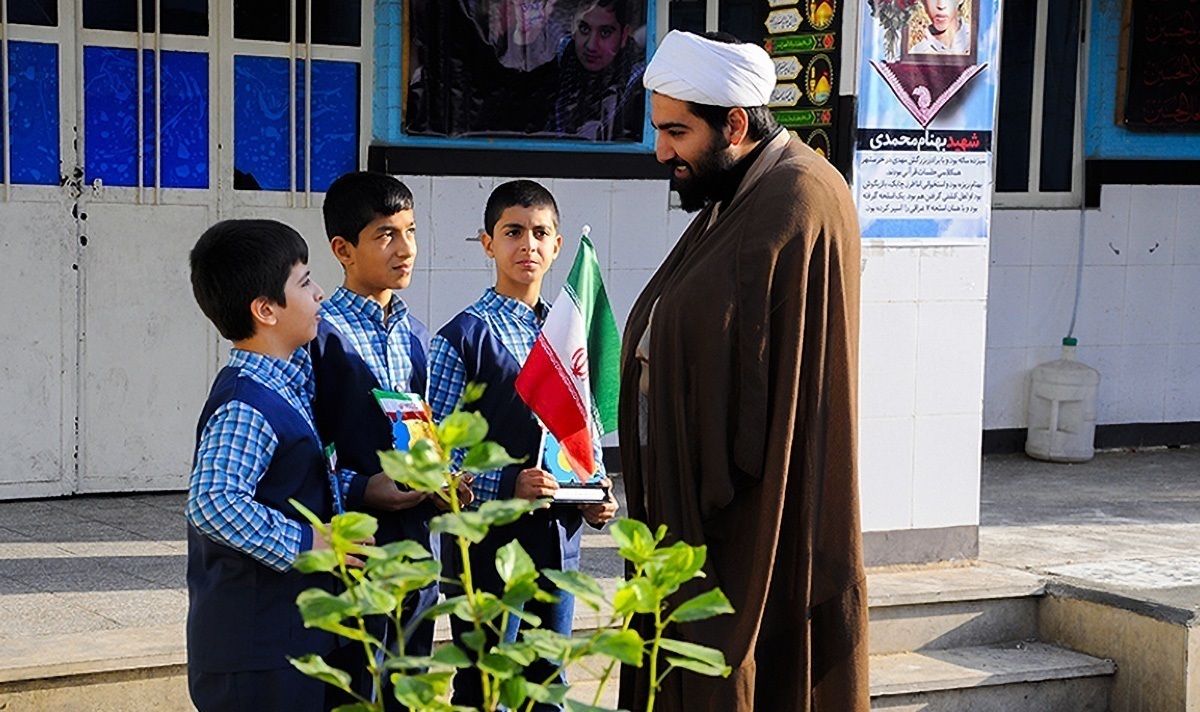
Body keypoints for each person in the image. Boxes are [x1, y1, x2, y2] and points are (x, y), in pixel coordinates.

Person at [617, 30, 868, 711]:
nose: (662, 151)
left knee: (734, 669)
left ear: (733, 123)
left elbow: (760, 371)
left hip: (756, 503)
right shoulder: (741, 189)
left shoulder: (798, 195)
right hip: (707, 495)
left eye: (676, 132)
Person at [428, 179, 619, 711]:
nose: (527, 246)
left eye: (540, 233)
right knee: (485, 684)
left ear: (558, 246)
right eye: (513, 232)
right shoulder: (463, 337)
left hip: (558, 541)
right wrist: (507, 483)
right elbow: (436, 457)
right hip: (486, 549)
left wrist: (596, 490)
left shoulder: (569, 333)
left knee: (547, 681)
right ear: (487, 243)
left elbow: (584, 429)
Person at [186, 219, 364, 712]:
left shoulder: (286, 383)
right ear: (265, 310)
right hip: (257, 653)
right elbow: (213, 501)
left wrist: (366, 488)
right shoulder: (248, 402)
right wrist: (308, 543)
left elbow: (289, 481)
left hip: (288, 643)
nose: (320, 293)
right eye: (305, 282)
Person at [309, 171, 460, 709]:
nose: (405, 249)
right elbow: (307, 443)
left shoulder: (418, 334)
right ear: (343, 250)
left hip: (416, 541)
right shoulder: (318, 333)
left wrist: (444, 476)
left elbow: (423, 429)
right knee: (355, 684)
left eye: (411, 231)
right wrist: (358, 488)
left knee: (410, 678)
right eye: (386, 236)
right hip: (357, 544)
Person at [552, 0, 645, 140]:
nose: (591, 45)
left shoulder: (641, 82)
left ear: (624, 35)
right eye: (584, 29)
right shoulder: (562, 58)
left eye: (605, 32)